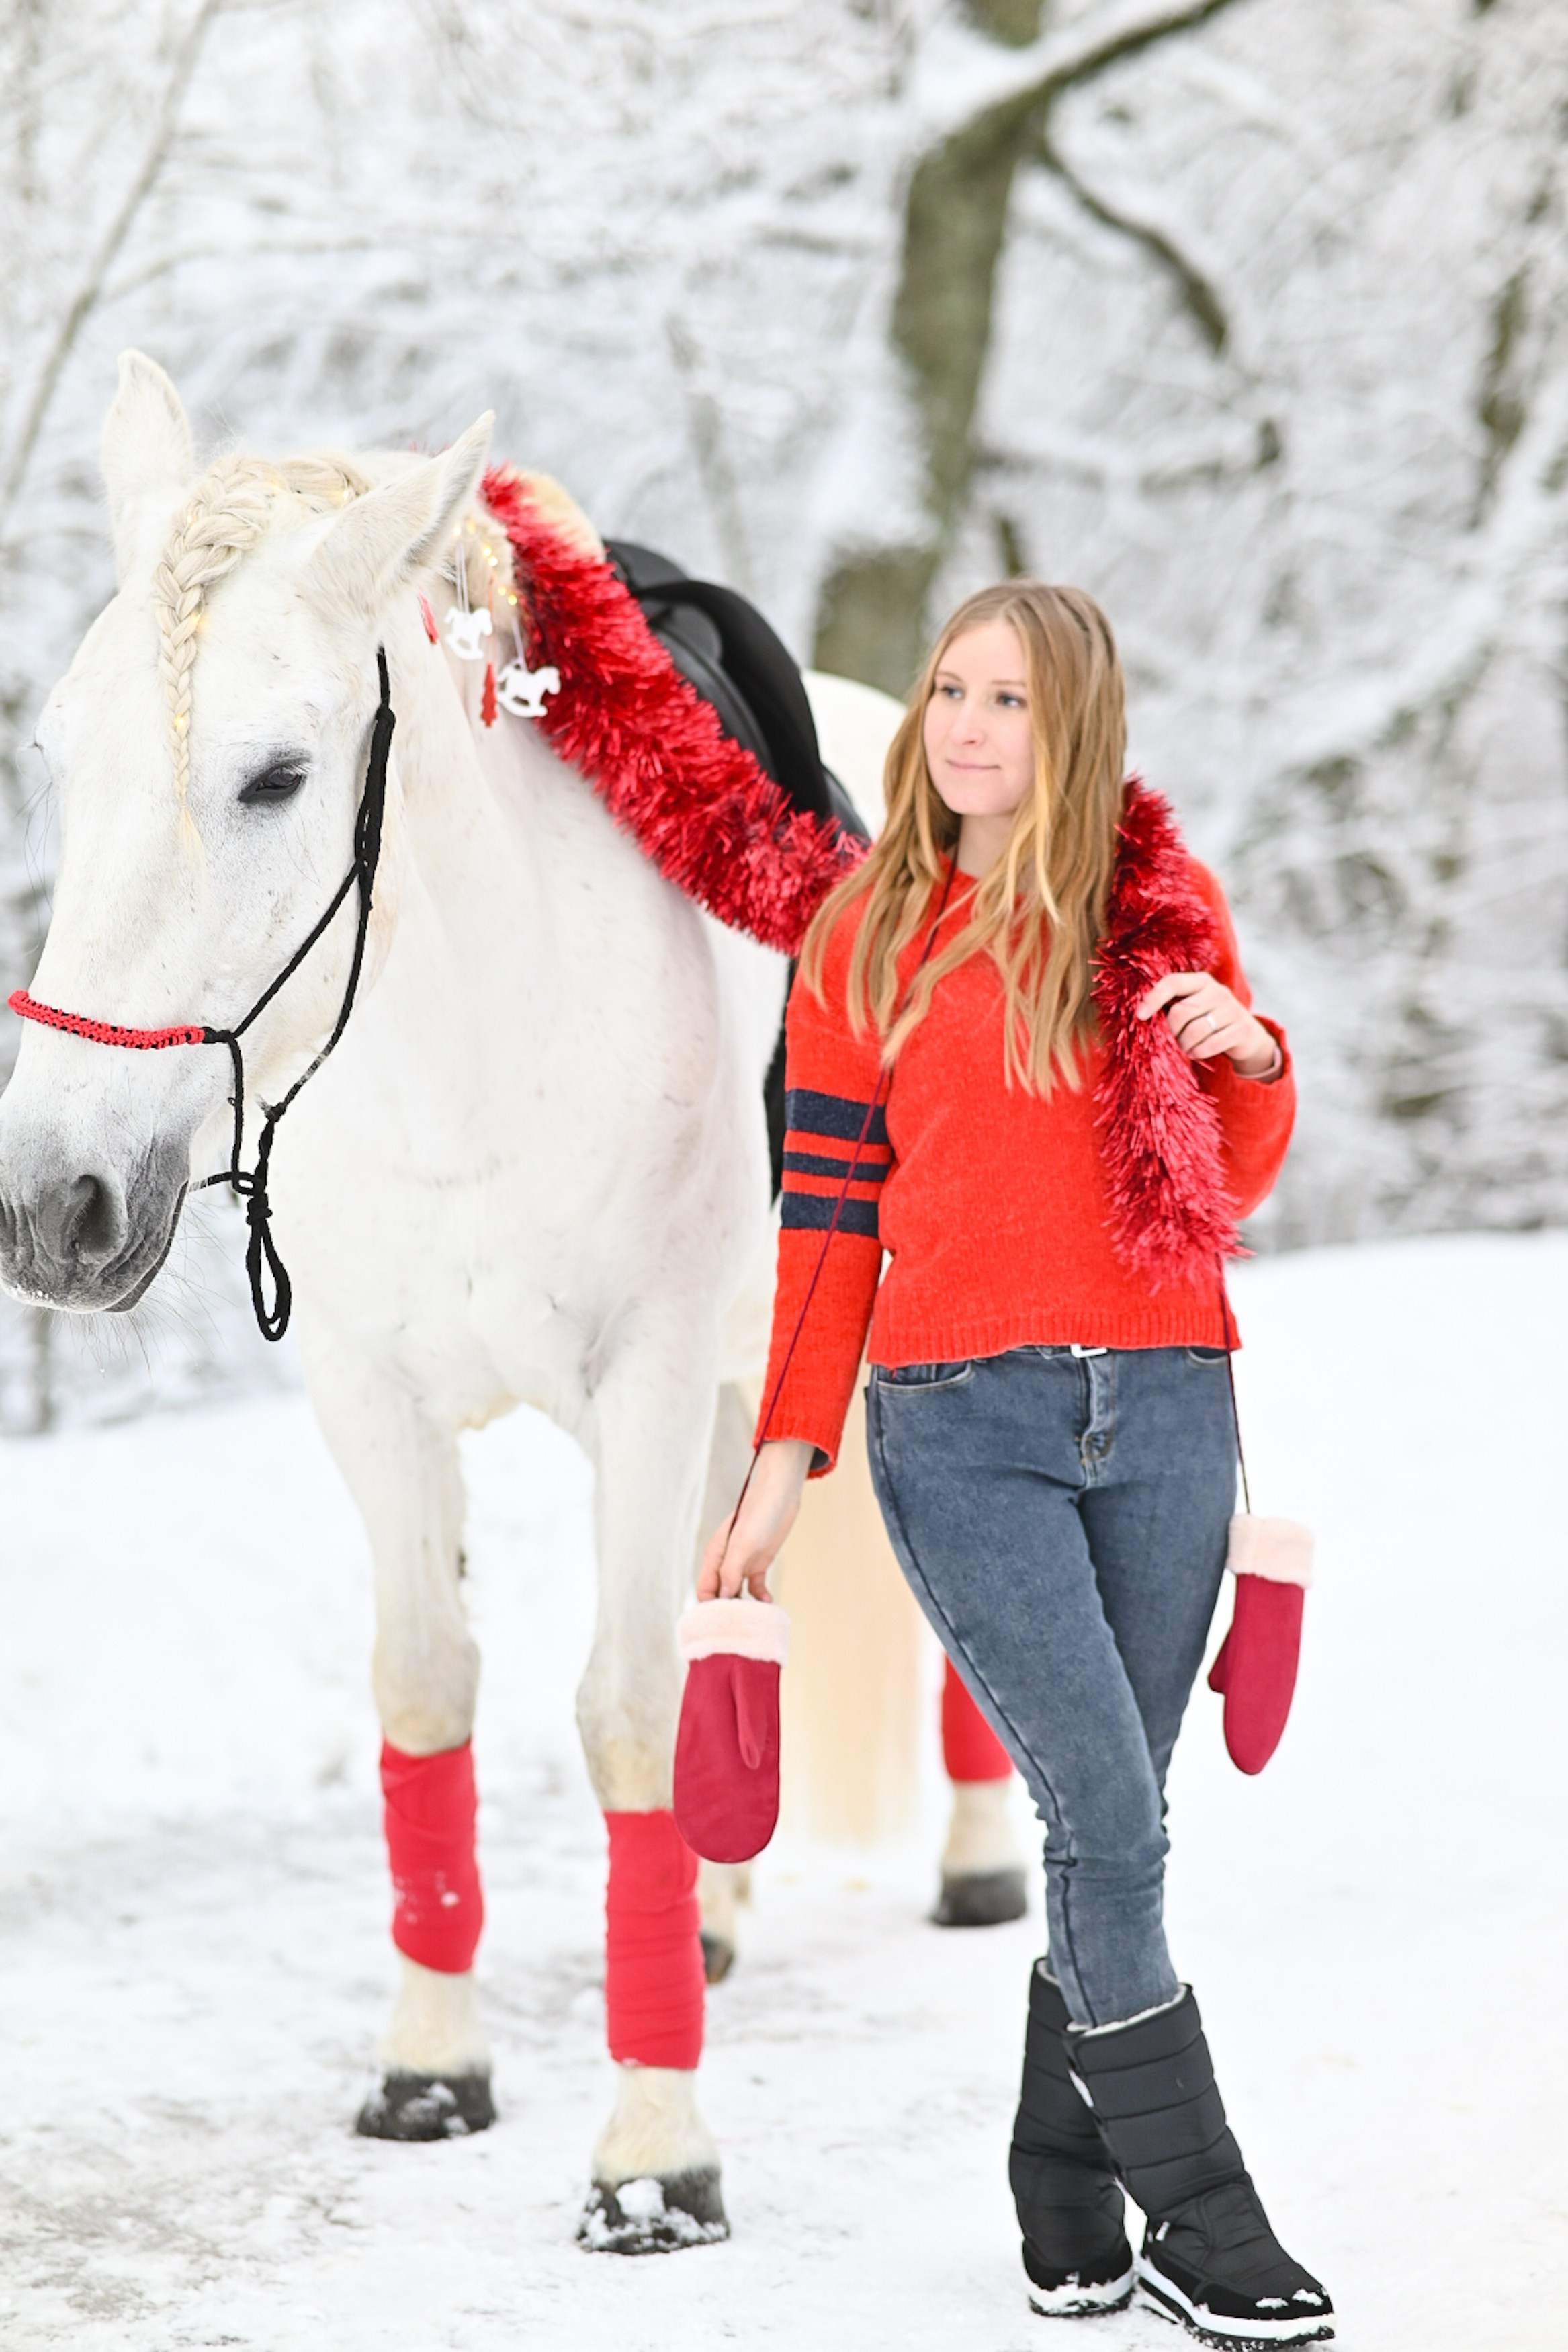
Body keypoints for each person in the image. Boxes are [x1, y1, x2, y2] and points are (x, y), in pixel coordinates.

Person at [699, 581, 1333, 2343]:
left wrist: (1252, 1054)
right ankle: (1203, 2214)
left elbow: (1227, 1178)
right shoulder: (866, 936)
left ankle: (1061, 2178)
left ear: (1078, 729)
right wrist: (783, 1455)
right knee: (1113, 1817)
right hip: (962, 1427)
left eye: (1013, 701)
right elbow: (828, 1221)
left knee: (1100, 1819)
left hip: (1172, 1408)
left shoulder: (1155, 910)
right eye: (951, 690)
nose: (968, 728)